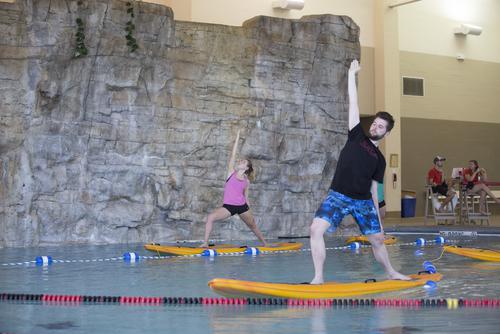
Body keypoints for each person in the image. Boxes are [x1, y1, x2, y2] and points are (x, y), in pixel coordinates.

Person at [309, 59, 410, 284]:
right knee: (316, 229)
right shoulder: (356, 135)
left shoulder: (380, 160)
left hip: (363, 202)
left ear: (387, 133)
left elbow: (374, 191)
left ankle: (392, 273)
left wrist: (380, 223)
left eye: (381, 126)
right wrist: (351, 75)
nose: (375, 127)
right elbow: (353, 103)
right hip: (338, 195)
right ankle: (318, 277)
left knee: (377, 240)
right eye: (375, 123)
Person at [200, 129, 267, 248]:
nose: (240, 161)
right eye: (241, 161)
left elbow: (246, 197)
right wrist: (237, 137)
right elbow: (233, 155)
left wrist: (249, 210)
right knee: (210, 217)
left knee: (253, 225)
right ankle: (205, 243)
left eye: (243, 162)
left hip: (242, 207)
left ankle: (265, 244)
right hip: (228, 207)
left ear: (246, 168)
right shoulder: (231, 173)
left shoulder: (246, 181)